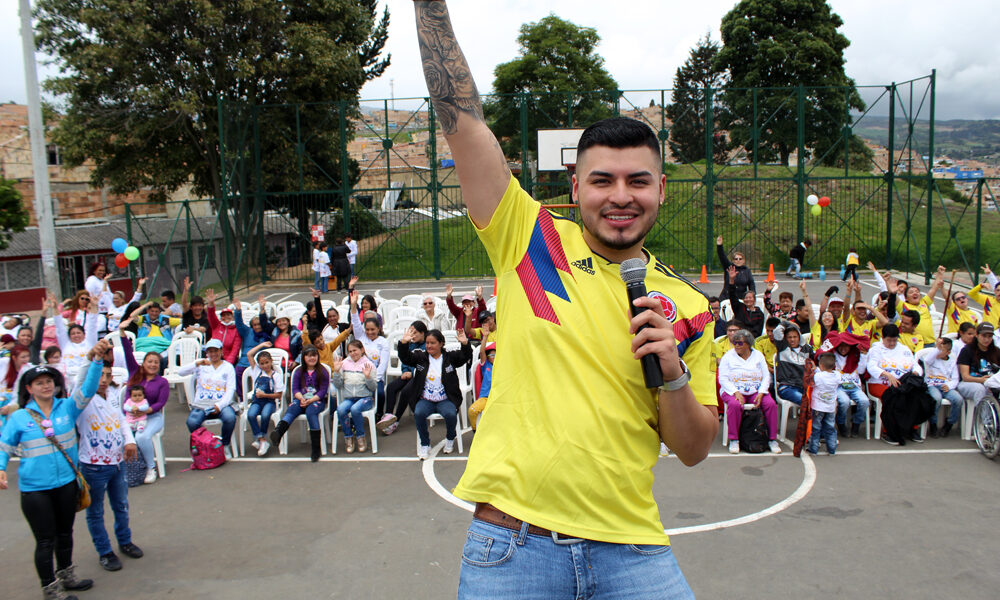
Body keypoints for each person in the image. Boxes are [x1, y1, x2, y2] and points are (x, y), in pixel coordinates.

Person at [414, 4, 717, 596]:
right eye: (602, 180)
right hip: (513, 550)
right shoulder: (529, 238)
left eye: (638, 180)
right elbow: (463, 121)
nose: (620, 196)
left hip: (633, 553)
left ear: (661, 189)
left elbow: (693, 449)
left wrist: (673, 374)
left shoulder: (687, 305)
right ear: (575, 186)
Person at [0, 345, 108, 600]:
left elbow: (89, 389)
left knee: (65, 533)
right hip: (35, 490)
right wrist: (1, 468)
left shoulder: (67, 407)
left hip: (67, 484)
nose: (46, 386)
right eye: (39, 383)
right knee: (45, 541)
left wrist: (96, 362)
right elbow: (4, 445)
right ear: (29, 388)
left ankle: (67, 576)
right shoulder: (19, 417)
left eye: (49, 381)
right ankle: (50, 588)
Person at [76, 360, 144, 572]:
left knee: (121, 505)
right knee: (95, 512)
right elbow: (81, 380)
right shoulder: (82, 399)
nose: (104, 380)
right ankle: (104, 551)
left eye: (107, 375)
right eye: (99, 375)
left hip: (117, 462)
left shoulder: (113, 395)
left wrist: (129, 440)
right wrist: (92, 359)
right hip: (93, 466)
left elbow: (121, 420)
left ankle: (125, 540)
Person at [398, 327, 471, 458]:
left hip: (445, 399)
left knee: (450, 414)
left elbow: (465, 356)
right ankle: (425, 444)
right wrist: (404, 343)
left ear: (441, 343)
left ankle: (450, 439)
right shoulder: (421, 357)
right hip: (426, 399)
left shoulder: (450, 357)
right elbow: (405, 358)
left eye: (432, 343)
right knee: (419, 413)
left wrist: (465, 344)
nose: (429, 346)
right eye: (427, 343)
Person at [119, 319, 169, 484]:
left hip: (152, 418)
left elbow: (160, 404)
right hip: (130, 417)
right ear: (144, 363)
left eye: (156, 362)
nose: (153, 365)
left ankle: (150, 468)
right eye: (150, 361)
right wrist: (122, 334)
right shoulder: (135, 373)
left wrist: (145, 411)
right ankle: (121, 470)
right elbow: (127, 353)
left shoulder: (162, 382)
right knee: (118, 435)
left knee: (141, 437)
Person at [718, 329, 781, 455]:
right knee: (735, 405)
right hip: (733, 390)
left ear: (748, 344)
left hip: (756, 390)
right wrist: (735, 392)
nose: (736, 345)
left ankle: (772, 439)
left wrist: (761, 392)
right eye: (735, 342)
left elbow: (766, 376)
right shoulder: (728, 357)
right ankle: (734, 439)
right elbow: (723, 378)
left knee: (770, 405)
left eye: (740, 343)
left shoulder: (758, 355)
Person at [177, 339, 238, 459]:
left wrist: (219, 406)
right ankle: (205, 443)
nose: (213, 354)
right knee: (192, 422)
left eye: (216, 351)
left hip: (221, 402)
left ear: (221, 351)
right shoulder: (201, 365)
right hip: (202, 403)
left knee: (230, 418)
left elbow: (230, 389)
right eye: (210, 351)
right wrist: (197, 363)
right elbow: (180, 372)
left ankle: (224, 444)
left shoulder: (228, 367)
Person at [269, 345, 329, 462]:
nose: (312, 358)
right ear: (304, 357)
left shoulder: (323, 371)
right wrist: (301, 399)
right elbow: (295, 389)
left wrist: (311, 400)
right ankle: (278, 433)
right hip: (301, 399)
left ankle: (316, 449)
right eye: (309, 356)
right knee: (292, 408)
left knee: (311, 412)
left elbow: (323, 391)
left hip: (316, 400)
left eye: (314, 355)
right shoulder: (299, 371)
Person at [866, 324, 918, 444]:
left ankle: (912, 428)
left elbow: (915, 365)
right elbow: (871, 367)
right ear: (883, 338)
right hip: (879, 382)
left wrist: (915, 372)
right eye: (889, 340)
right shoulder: (876, 350)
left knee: (914, 395)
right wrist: (887, 375)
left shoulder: (904, 349)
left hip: (901, 383)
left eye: (894, 340)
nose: (892, 343)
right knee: (892, 397)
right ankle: (888, 431)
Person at [377, 321, 427, 435]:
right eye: (411, 332)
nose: (412, 335)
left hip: (419, 376)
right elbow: (405, 359)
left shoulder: (427, 344)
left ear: (422, 333)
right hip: (408, 374)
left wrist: (412, 373)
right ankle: (388, 416)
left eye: (415, 333)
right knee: (391, 387)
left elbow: (423, 363)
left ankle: (396, 420)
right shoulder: (410, 343)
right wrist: (405, 371)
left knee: (405, 392)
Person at [350, 290, 389, 418]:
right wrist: (354, 305)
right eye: (367, 329)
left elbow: (383, 364)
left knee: (381, 394)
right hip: (358, 374)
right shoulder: (361, 336)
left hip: (375, 376)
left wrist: (374, 379)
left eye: (373, 329)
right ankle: (354, 417)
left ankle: (379, 414)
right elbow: (355, 321)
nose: (370, 332)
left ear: (378, 329)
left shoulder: (383, 342)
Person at [333, 341, 378, 453]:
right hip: (349, 398)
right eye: (350, 351)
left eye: (355, 350)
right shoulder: (344, 363)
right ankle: (348, 437)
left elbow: (373, 388)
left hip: (365, 398)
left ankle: (360, 437)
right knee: (341, 409)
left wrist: (368, 377)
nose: (353, 353)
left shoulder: (369, 364)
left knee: (355, 409)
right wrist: (337, 372)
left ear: (362, 350)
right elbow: (338, 385)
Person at [915, 338, 964, 438]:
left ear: (948, 352)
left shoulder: (952, 362)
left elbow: (955, 379)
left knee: (958, 399)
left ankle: (949, 423)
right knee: (936, 399)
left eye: (942, 350)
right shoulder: (932, 358)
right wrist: (937, 348)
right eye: (938, 349)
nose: (939, 352)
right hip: (932, 385)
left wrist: (949, 386)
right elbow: (927, 360)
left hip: (945, 386)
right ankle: (933, 423)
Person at [244, 343, 284, 456]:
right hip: (257, 401)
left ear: (271, 361)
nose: (265, 366)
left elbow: (278, 395)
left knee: (266, 415)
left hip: (269, 401)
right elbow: (249, 354)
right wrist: (262, 345)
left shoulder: (276, 375)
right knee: (251, 414)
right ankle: (261, 439)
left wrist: (265, 395)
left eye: (267, 362)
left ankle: (261, 439)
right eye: (262, 363)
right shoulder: (256, 372)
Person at [233, 297, 273, 399]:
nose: (257, 327)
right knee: (237, 372)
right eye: (254, 325)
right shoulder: (247, 332)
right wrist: (238, 311)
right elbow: (239, 324)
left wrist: (262, 308)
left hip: (260, 363)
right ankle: (243, 398)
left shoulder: (267, 334)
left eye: (259, 324)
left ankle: (259, 397)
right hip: (244, 362)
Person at [957, 323, 1000, 409]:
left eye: (989, 336)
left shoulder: (996, 351)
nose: (987, 339)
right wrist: (981, 380)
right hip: (969, 383)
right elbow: (965, 377)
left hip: (991, 382)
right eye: (984, 336)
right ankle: (984, 419)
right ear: (977, 335)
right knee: (980, 389)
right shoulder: (967, 350)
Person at [807, 352, 840, 455]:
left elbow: (811, 383)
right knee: (830, 428)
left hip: (818, 407)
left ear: (820, 365)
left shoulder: (818, 377)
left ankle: (813, 449)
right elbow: (825, 373)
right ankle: (832, 449)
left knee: (816, 428)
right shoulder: (837, 376)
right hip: (830, 407)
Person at [773, 322, 810, 406]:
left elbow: (819, 358)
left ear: (799, 337)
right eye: (789, 337)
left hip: (803, 387)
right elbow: (777, 331)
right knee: (806, 403)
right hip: (787, 387)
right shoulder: (782, 347)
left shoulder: (807, 349)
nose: (792, 339)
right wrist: (788, 323)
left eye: (795, 337)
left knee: (821, 402)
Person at [204, 290, 242, 365]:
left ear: (232, 317)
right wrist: (211, 303)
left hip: (227, 359)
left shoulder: (236, 330)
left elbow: (235, 350)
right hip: (213, 356)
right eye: (223, 315)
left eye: (228, 315)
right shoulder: (217, 326)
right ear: (221, 318)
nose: (226, 317)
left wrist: (227, 364)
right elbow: (211, 315)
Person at [725, 269, 765, 337]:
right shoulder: (739, 308)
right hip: (738, 337)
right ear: (743, 300)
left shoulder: (759, 314)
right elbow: (732, 295)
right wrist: (731, 280)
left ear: (754, 300)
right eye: (746, 298)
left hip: (751, 340)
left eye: (750, 298)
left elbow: (758, 331)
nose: (748, 300)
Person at [716, 235, 755, 299]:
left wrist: (752, 295)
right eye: (736, 259)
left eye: (740, 259)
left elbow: (751, 284)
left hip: (741, 298)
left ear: (744, 260)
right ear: (733, 260)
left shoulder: (746, 270)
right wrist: (719, 246)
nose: (738, 260)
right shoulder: (729, 267)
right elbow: (722, 256)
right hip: (727, 297)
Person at [468, 341, 496, 430]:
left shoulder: (501, 366)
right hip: (485, 397)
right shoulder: (486, 364)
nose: (494, 358)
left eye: (496, 355)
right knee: (472, 411)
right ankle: (475, 430)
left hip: (498, 397)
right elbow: (482, 352)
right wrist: (485, 337)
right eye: (492, 355)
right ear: (488, 357)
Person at [968, 264, 999, 330]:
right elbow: (971, 294)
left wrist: (990, 275)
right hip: (986, 332)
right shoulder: (987, 300)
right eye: (998, 291)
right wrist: (981, 286)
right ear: (995, 291)